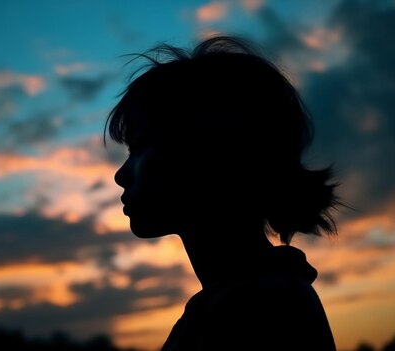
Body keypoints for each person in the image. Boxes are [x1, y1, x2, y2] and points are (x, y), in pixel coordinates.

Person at [104, 35, 342, 350]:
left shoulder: (260, 309)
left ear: (210, 151)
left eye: (140, 145)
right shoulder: (241, 299)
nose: (121, 175)